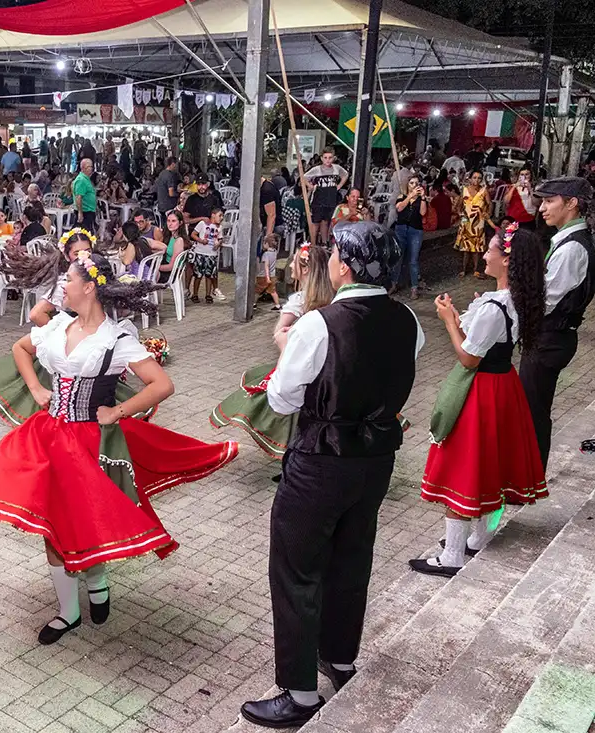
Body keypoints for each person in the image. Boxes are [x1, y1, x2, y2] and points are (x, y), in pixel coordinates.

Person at [0, 245, 237, 645]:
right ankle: (68, 612)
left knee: (86, 519)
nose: (62, 286)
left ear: (89, 288)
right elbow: (20, 348)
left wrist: (119, 412)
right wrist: (35, 387)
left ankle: (98, 582)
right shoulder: (57, 326)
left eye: (68, 280)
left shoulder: (116, 338)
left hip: (89, 441)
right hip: (48, 436)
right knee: (53, 526)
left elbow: (162, 384)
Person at [240, 222, 423, 728]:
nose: (333, 259)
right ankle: (339, 658)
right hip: (377, 459)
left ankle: (299, 694)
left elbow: (282, 398)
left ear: (347, 264)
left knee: (297, 569)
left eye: (339, 252)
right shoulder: (408, 318)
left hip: (321, 459)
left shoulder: (319, 324)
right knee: (352, 556)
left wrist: (288, 348)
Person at [411, 225, 546, 577]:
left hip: (481, 389)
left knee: (462, 465)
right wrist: (459, 319)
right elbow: (485, 343)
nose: (484, 255)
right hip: (505, 386)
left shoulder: (492, 307)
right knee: (491, 463)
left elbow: (469, 357)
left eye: (489, 250)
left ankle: (453, 554)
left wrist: (447, 321)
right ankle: (479, 537)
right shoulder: (519, 298)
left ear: (507, 259)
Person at [211, 244, 336, 455]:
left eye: (294, 260)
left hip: (299, 367)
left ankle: (294, 453)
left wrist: (286, 336)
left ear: (305, 269)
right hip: (325, 370)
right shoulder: (331, 299)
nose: (291, 265)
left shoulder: (300, 300)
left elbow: (279, 334)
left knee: (290, 411)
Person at [520, 177, 595, 469]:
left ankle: (529, 474)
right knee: (533, 406)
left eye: (550, 201)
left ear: (572, 203)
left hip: (550, 337)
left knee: (532, 410)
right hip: (551, 336)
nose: (542, 208)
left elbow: (545, 301)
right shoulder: (568, 240)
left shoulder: (573, 248)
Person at [391, 174, 428, 298]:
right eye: (412, 183)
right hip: (401, 229)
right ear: (407, 185)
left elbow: (423, 212)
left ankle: (414, 288)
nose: (414, 185)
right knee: (398, 257)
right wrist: (409, 197)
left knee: (413, 260)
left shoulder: (420, 199)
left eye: (416, 183)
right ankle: (393, 284)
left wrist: (422, 197)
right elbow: (399, 208)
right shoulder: (402, 196)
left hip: (415, 230)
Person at [303, 149, 349, 245]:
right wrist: (311, 186)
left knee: (326, 221)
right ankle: (313, 244)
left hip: (331, 197)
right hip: (319, 198)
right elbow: (304, 177)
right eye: (325, 158)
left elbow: (345, 175)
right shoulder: (317, 169)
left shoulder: (337, 168)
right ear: (322, 158)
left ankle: (324, 243)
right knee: (316, 222)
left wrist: (339, 186)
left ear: (333, 158)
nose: (328, 160)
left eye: (330, 158)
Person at [455, 170, 494, 279]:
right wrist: (461, 214)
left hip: (478, 222)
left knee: (476, 248)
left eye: (479, 178)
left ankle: (476, 270)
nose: (476, 180)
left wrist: (489, 213)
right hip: (466, 221)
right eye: (475, 177)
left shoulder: (483, 191)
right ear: (470, 178)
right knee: (465, 248)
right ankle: (463, 269)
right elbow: (458, 206)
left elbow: (490, 203)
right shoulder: (464, 190)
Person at [189, 207, 225, 303]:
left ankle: (208, 294)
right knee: (198, 275)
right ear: (213, 215)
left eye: (222, 216)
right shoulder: (203, 224)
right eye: (220, 215)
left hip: (212, 253)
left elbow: (220, 238)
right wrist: (201, 240)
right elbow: (193, 234)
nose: (221, 218)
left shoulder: (220, 228)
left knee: (209, 275)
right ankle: (195, 294)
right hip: (200, 252)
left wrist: (218, 244)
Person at [158, 210, 189, 284]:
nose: (170, 224)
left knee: (146, 272)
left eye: (173, 221)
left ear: (180, 223)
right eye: (168, 221)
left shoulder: (179, 240)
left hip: (171, 273)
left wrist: (155, 267)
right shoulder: (170, 236)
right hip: (166, 268)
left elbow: (171, 266)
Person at [255, 233, 282, 311]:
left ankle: (253, 303)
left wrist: (267, 277)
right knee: (273, 291)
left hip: (264, 275)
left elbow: (266, 266)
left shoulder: (266, 255)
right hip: (273, 275)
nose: (263, 244)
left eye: (264, 243)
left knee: (257, 290)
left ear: (267, 244)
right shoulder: (275, 252)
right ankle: (277, 305)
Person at [73, 158, 98, 232]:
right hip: (84, 211)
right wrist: (80, 213)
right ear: (84, 168)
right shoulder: (81, 180)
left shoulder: (86, 179)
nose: (92, 169)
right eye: (90, 167)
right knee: (84, 233)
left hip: (89, 211)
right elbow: (78, 197)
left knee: (86, 232)